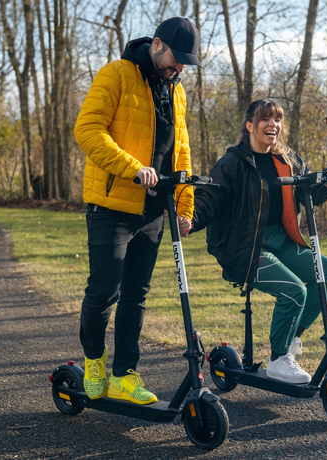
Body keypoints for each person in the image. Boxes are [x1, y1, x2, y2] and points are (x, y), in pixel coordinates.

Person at [74, 17, 198, 404]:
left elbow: (181, 151)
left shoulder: (175, 90)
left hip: (153, 209)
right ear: (157, 44)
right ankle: (94, 359)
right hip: (112, 204)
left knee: (136, 295)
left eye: (185, 62)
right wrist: (132, 168)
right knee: (104, 290)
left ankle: (124, 375)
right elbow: (88, 130)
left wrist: (184, 204)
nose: (179, 67)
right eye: (176, 58)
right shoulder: (116, 74)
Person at [191, 98, 327, 384]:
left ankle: (290, 341)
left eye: (277, 119)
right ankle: (278, 359)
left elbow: (306, 194)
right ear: (250, 125)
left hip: (282, 240)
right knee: (294, 291)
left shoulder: (287, 160)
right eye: (265, 119)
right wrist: (191, 218)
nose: (273, 125)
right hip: (247, 248)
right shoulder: (232, 163)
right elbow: (210, 199)